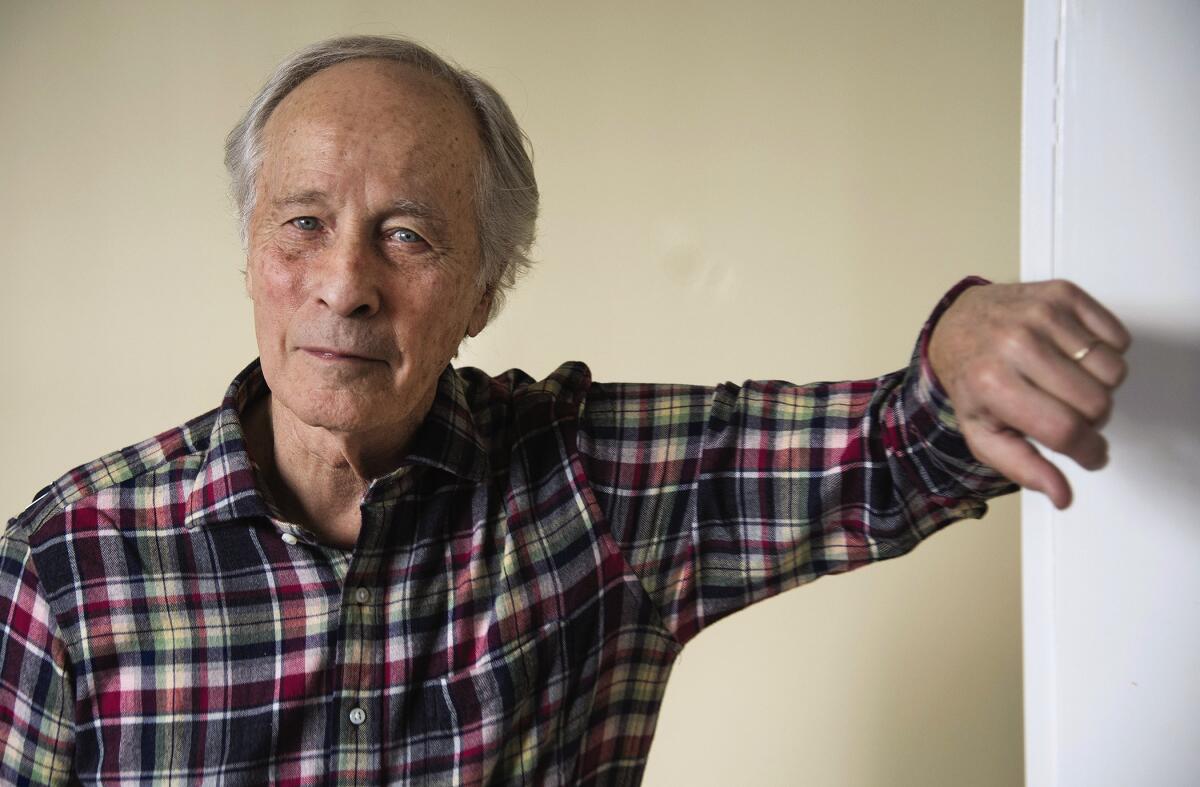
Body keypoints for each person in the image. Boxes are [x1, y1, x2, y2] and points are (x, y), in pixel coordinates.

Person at [0, 35, 1129, 785]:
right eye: (301, 222)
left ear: (485, 290)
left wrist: (967, 347)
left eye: (407, 234)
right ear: (250, 254)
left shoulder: (585, 487)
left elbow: (898, 447)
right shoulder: (67, 563)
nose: (345, 283)